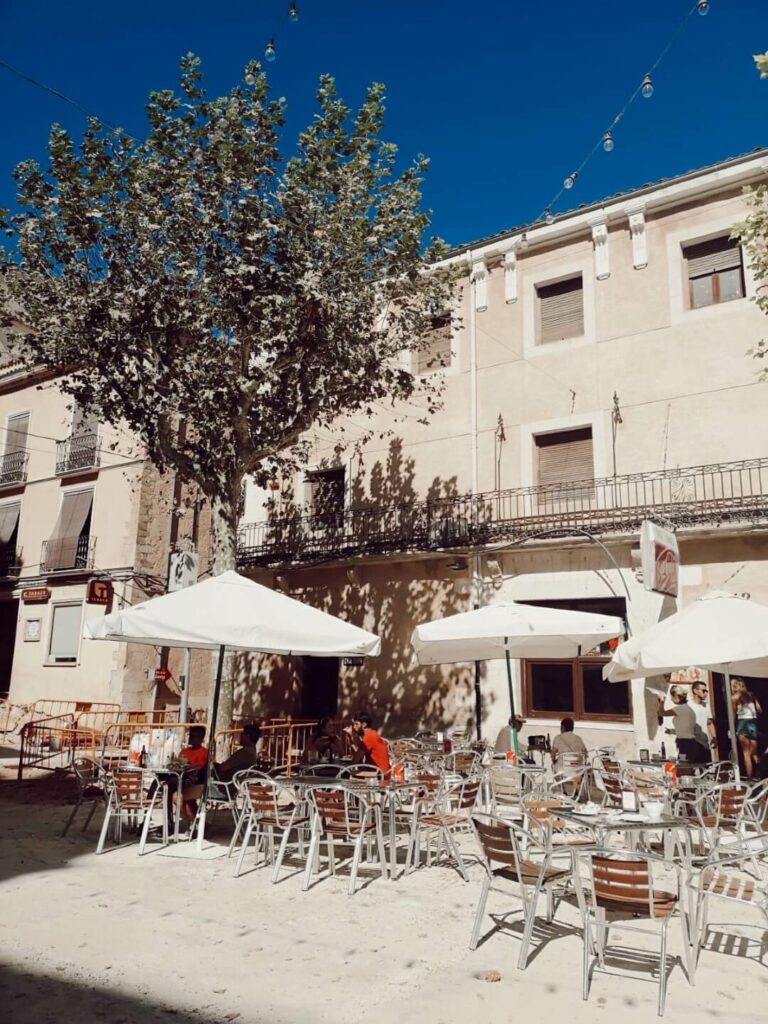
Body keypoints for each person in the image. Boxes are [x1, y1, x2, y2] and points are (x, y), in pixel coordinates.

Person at [658, 685, 699, 763]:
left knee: (683, 768)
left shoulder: (680, 709)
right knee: (686, 767)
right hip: (689, 742)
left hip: (685, 743)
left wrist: (662, 700)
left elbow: (661, 713)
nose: (671, 699)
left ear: (676, 696)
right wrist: (672, 731)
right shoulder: (687, 708)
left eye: (672, 697)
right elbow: (686, 729)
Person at [731, 677, 762, 779]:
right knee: (754, 753)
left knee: (746, 753)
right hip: (752, 723)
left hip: (742, 723)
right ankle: (761, 773)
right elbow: (760, 710)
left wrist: (731, 727)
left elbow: (733, 713)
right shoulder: (751, 695)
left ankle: (749, 777)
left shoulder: (734, 697)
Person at [346, 711, 391, 777]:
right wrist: (352, 739)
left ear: (364, 724)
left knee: (346, 773)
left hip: (380, 776)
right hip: (378, 771)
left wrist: (352, 741)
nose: (354, 727)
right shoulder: (370, 734)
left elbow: (356, 760)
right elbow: (358, 757)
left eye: (356, 724)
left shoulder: (368, 737)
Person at [689, 681, 717, 764]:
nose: (706, 693)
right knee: (693, 769)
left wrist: (714, 738)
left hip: (704, 743)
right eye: (703, 691)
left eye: (706, 691)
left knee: (706, 768)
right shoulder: (688, 706)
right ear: (695, 691)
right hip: (692, 743)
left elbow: (709, 722)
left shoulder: (706, 705)